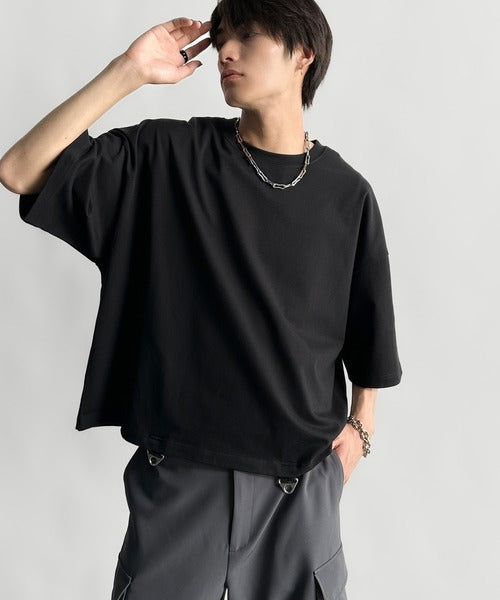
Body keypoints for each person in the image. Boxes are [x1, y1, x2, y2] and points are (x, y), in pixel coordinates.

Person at [0, 1, 403, 598]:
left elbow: (369, 335)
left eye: (248, 36)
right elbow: (20, 170)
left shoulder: (347, 195)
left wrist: (361, 430)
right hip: (181, 486)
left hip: (301, 495)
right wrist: (130, 70)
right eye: (223, 38)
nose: (226, 52)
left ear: (304, 54)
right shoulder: (168, 157)